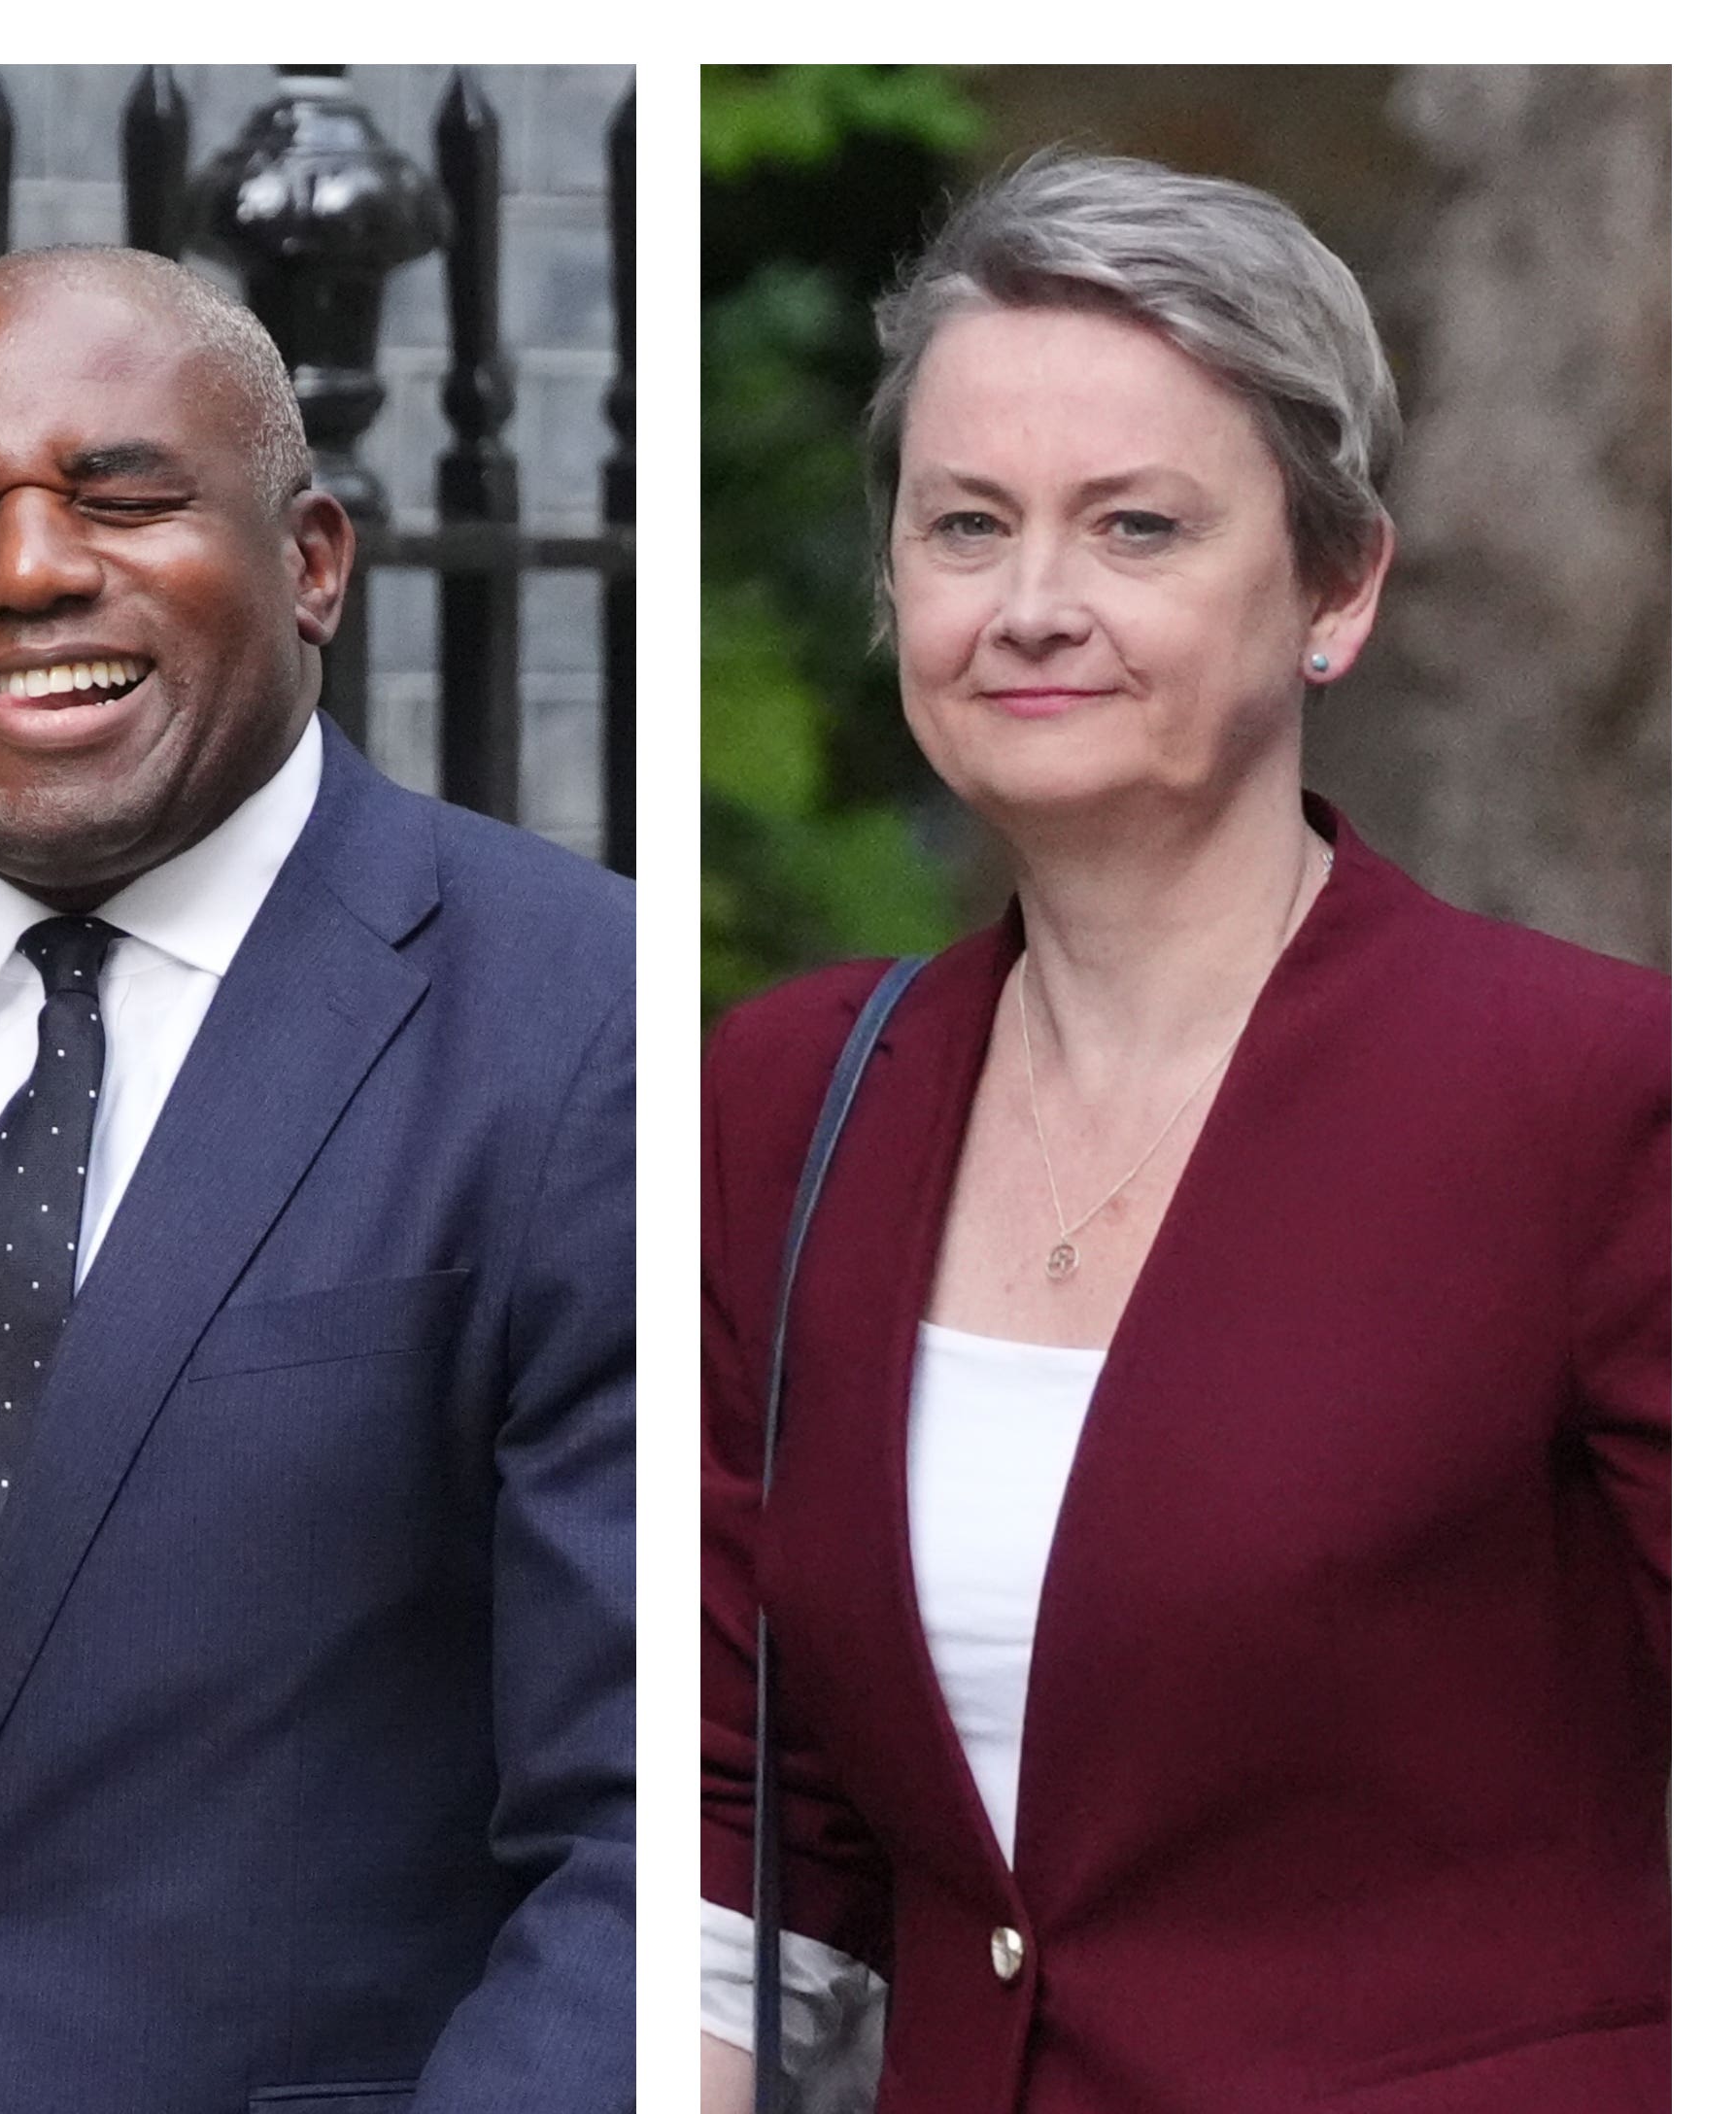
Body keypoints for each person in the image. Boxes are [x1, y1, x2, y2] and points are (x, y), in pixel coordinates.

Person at [701, 152, 1667, 2111]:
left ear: (1337, 584)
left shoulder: (1601, 1096)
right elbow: (755, 1825)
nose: (1033, 603)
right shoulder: (794, 1097)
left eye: (1135, 527)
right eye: (966, 524)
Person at [0, 246, 634, 2113]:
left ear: (316, 560)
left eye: (119, 496)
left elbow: (631, 1831)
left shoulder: (576, 1027)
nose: (28, 570)